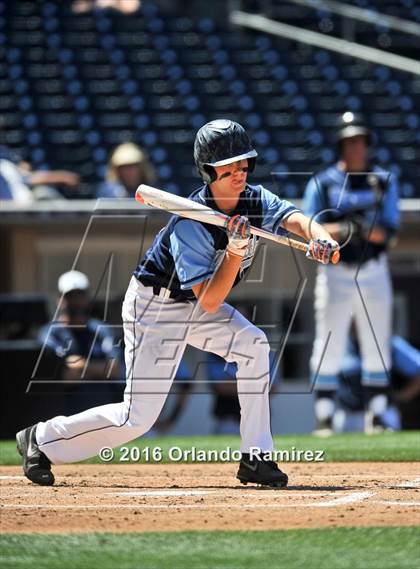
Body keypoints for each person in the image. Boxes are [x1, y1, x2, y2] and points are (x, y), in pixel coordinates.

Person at [16, 119, 337, 488]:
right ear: (208, 171)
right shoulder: (191, 224)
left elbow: (296, 219)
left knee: (253, 345)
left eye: (243, 163)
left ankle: (256, 457)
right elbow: (211, 300)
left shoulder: (254, 198)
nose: (239, 172)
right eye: (228, 166)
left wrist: (321, 238)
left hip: (193, 305)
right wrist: (235, 251)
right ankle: (41, 438)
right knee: (136, 419)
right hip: (155, 308)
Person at [303, 111, 400, 435]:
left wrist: (356, 228)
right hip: (336, 271)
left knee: (377, 341)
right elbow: (311, 227)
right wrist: (347, 228)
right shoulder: (323, 182)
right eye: (349, 142)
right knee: (328, 340)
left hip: (373, 268)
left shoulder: (382, 180)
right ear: (340, 145)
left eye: (360, 141)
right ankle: (324, 417)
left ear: (368, 144)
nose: (356, 147)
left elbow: (388, 232)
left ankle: (378, 415)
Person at [38, 270, 123, 412]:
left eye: (80, 296)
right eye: (70, 296)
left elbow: (114, 369)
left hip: (104, 409)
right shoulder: (50, 333)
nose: (76, 302)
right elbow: (66, 376)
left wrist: (82, 366)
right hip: (65, 411)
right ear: (59, 299)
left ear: (87, 298)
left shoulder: (101, 330)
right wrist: (99, 370)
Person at [334, 334, 420, 433]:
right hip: (347, 414)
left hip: (384, 413)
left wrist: (403, 395)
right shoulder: (340, 343)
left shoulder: (389, 343)